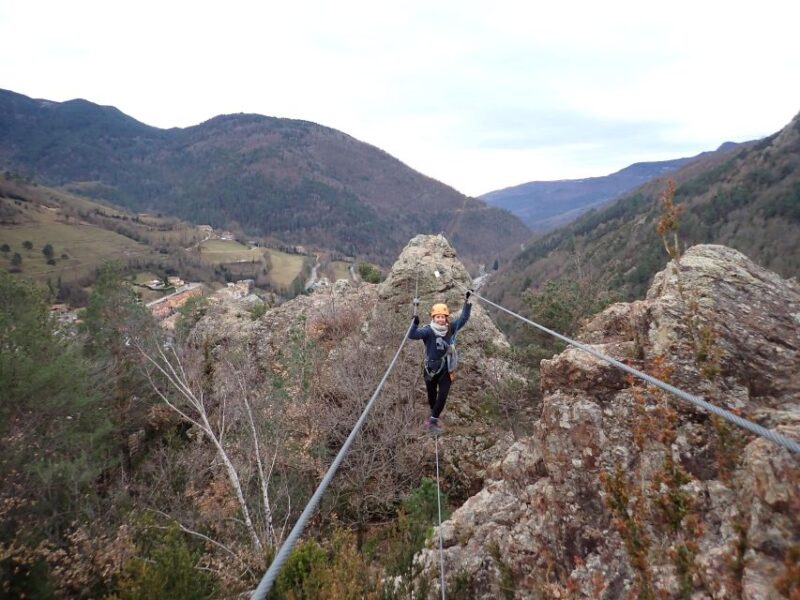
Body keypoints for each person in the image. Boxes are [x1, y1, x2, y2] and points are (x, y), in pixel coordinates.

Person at [409, 291, 472, 433]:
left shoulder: (451, 328)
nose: (440, 319)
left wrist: (467, 302)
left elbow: (464, 318)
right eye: (437, 317)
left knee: (442, 395)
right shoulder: (428, 330)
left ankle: (433, 421)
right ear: (433, 318)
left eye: (443, 317)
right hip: (430, 369)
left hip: (446, 369)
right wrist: (414, 324)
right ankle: (433, 413)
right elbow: (412, 335)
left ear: (446, 318)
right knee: (432, 396)